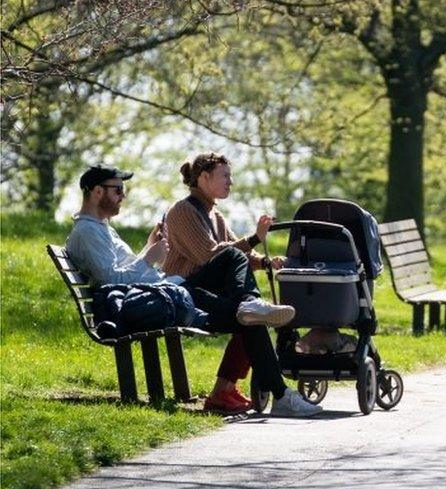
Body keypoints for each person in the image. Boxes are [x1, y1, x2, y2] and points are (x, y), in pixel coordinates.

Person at [65, 164, 322, 417]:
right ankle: (280, 395)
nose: (123, 196)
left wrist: (148, 248)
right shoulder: (88, 232)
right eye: (118, 190)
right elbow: (112, 281)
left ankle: (275, 382)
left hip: (167, 293)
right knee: (247, 312)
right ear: (97, 192)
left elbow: (124, 272)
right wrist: (148, 259)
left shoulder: (102, 229)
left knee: (242, 289)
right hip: (159, 300)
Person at [161, 152, 283, 412]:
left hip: (205, 290)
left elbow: (237, 256)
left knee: (249, 316)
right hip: (183, 292)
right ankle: (281, 394)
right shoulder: (182, 211)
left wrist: (264, 262)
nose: (231, 182)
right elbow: (211, 255)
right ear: (204, 177)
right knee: (248, 311)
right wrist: (254, 238)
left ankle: (222, 392)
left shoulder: (215, 215)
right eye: (225, 176)